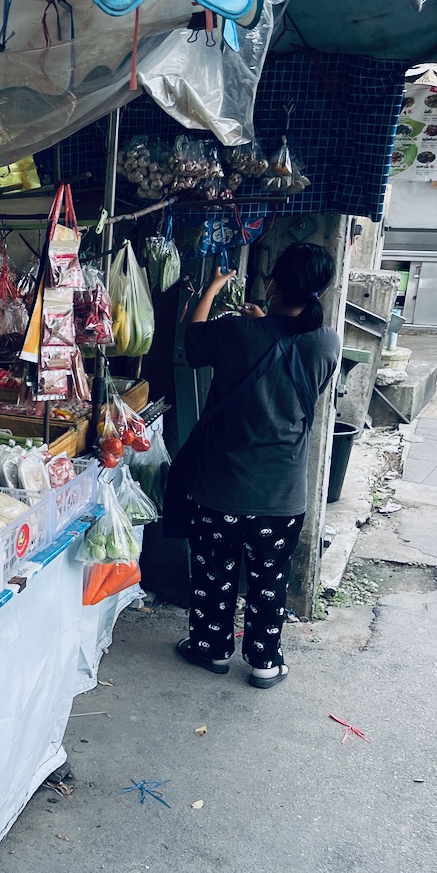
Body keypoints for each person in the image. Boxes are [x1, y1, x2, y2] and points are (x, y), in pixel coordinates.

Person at [170, 242, 341, 689]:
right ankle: (265, 662)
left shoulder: (236, 331)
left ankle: (211, 650)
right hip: (280, 495)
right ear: (320, 289)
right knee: (269, 581)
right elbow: (283, 358)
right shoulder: (326, 343)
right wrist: (263, 326)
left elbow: (192, 342)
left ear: (273, 282)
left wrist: (211, 289)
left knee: (214, 572)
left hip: (220, 488)